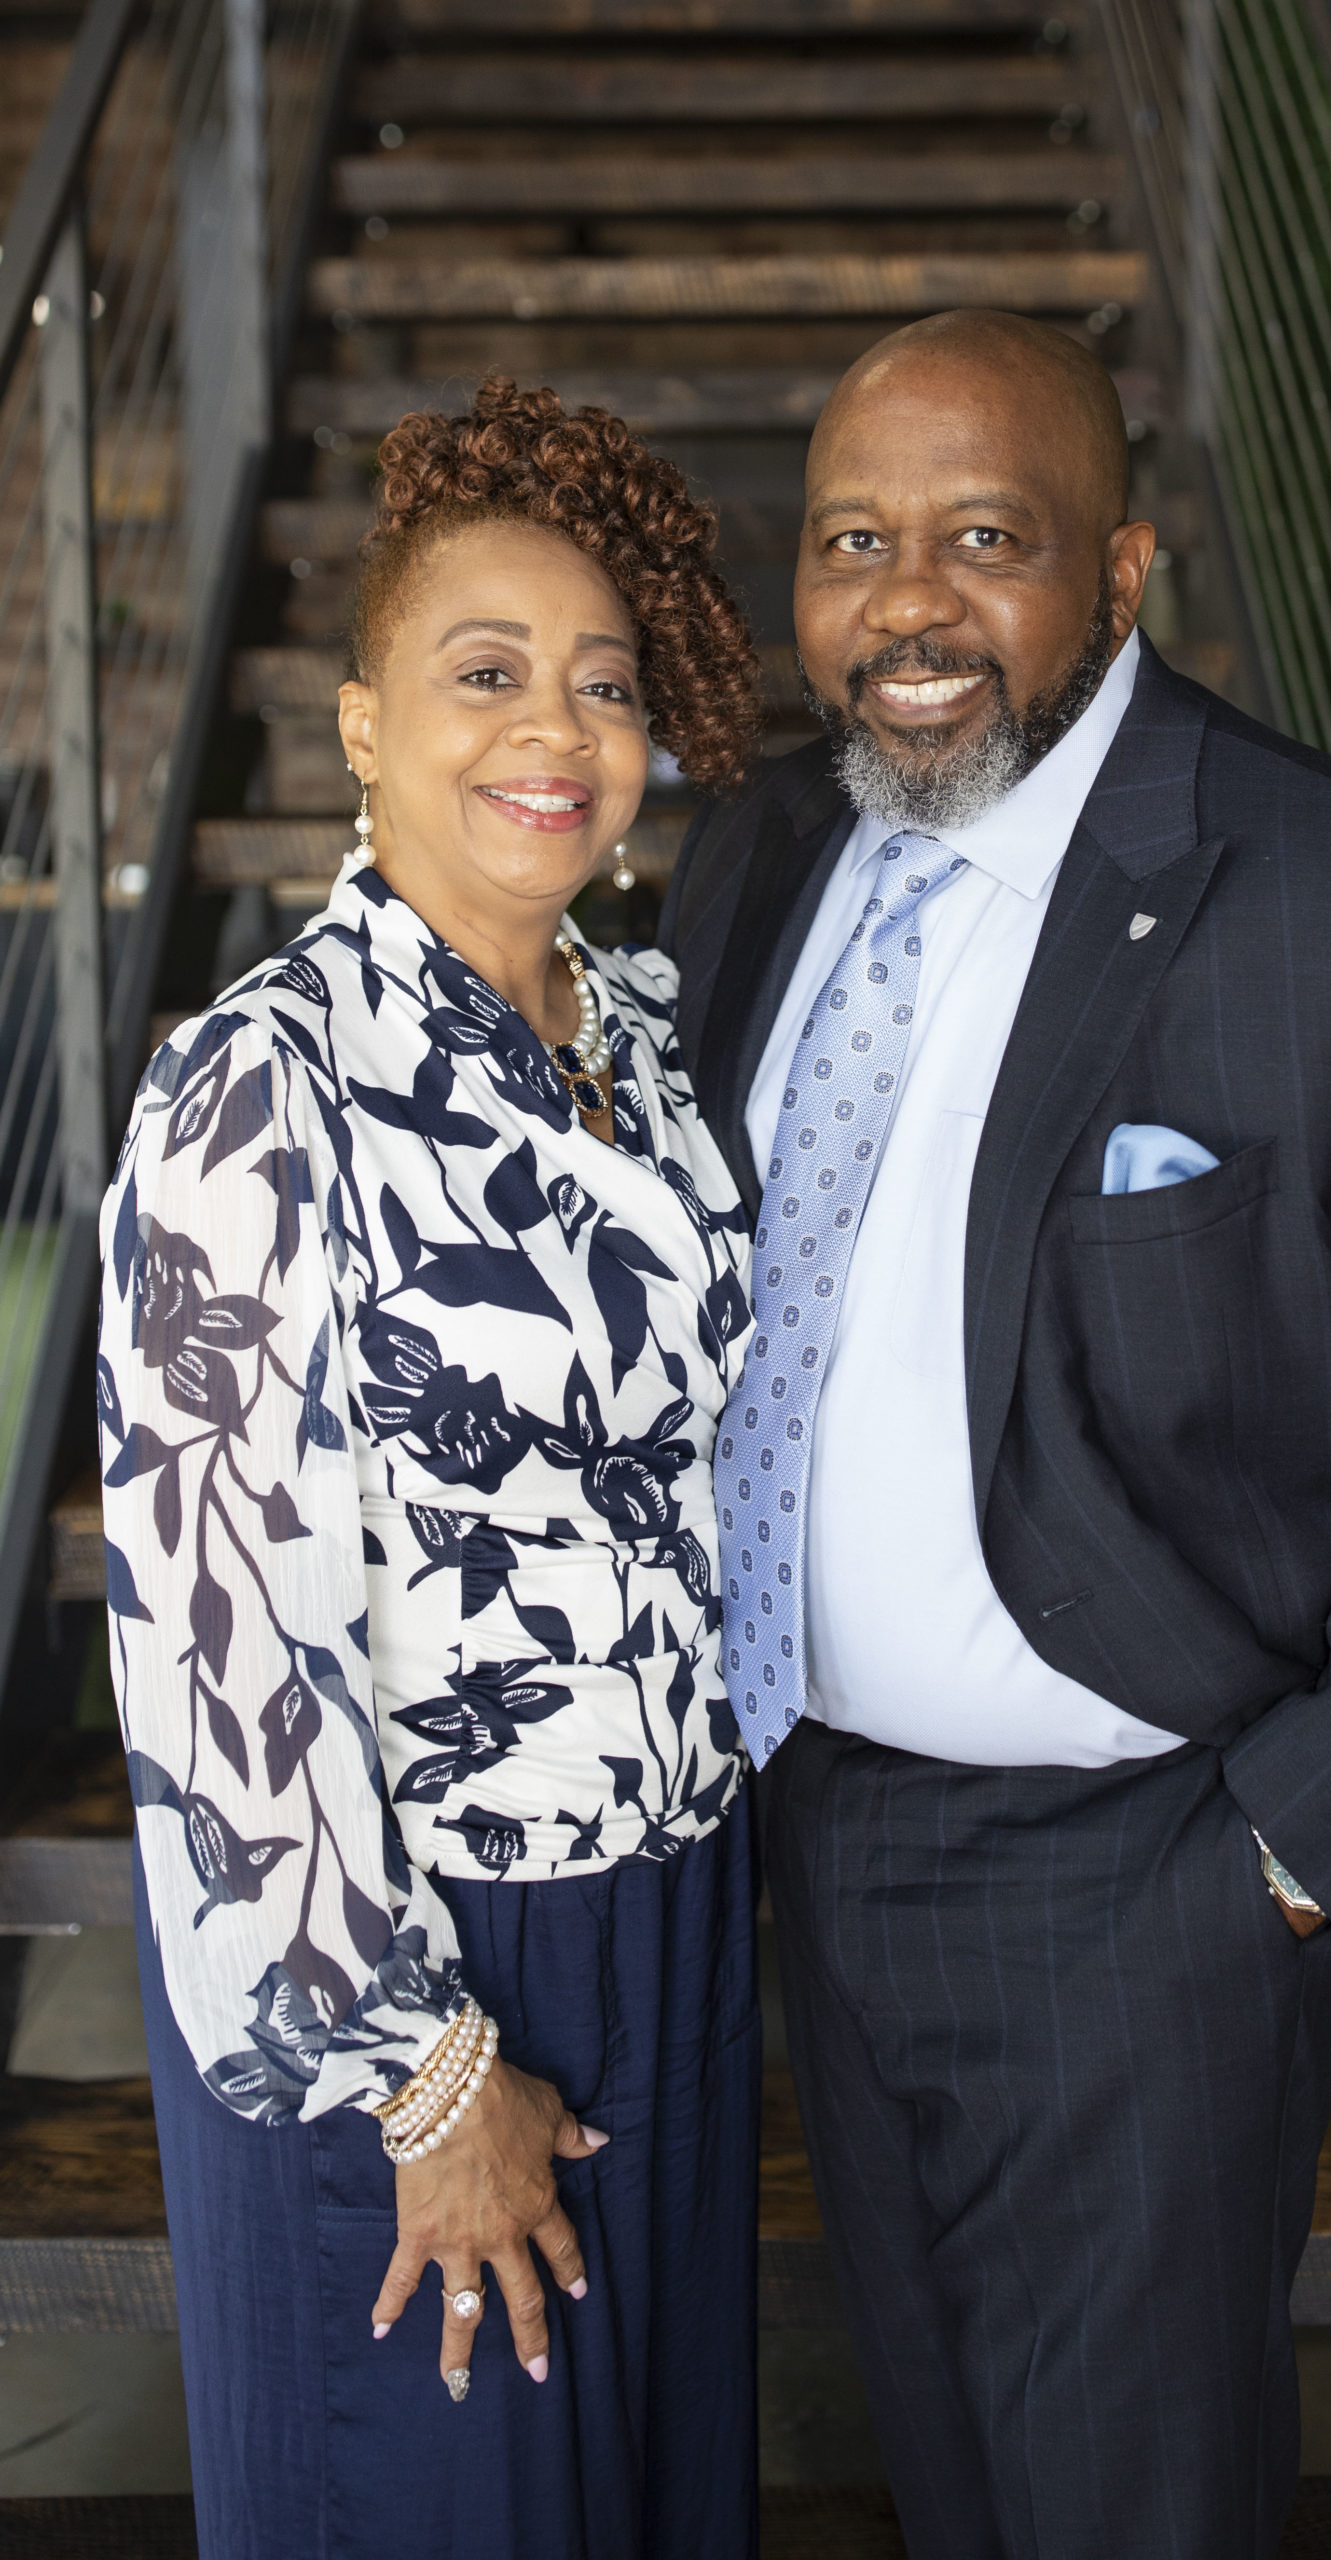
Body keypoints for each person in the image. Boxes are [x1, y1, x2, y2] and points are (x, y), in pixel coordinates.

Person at [660, 310, 1331, 2559]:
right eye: (851, 540)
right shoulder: (758, 853)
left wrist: (1299, 1844)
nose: (906, 603)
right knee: (948, 2478)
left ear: (1119, 571)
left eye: (983, 538)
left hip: (1148, 1880)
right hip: (811, 1831)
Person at [99, 376, 764, 2560]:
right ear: (363, 726)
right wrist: (416, 2063)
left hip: (665, 1903)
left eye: (605, 681)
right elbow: (217, 1644)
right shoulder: (257, 1090)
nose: (555, 728)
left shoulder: (641, 1042)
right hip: (413, 1954)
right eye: (485, 673)